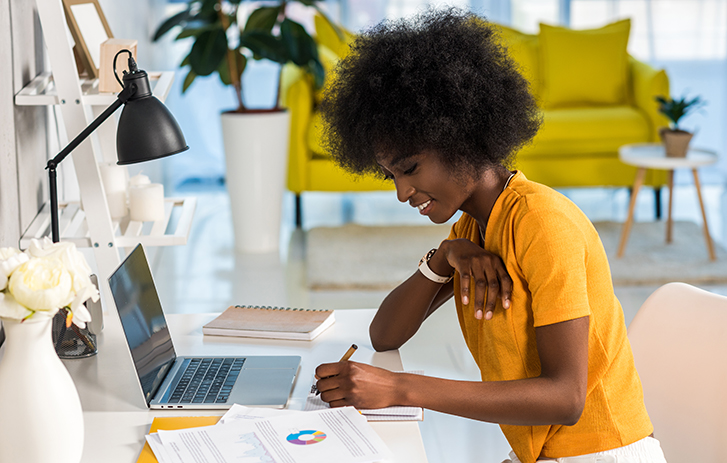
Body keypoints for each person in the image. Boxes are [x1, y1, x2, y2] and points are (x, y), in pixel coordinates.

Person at [313, 8, 668, 463]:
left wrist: (401, 388)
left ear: (460, 137)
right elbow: (385, 335)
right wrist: (443, 258)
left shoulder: (542, 222)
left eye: (410, 168)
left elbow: (567, 398)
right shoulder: (472, 227)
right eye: (391, 177)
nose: (402, 192)